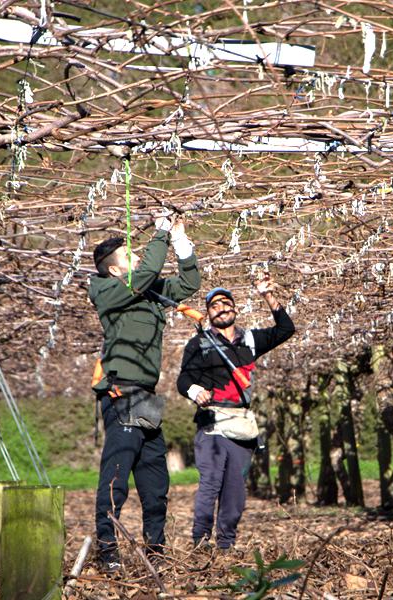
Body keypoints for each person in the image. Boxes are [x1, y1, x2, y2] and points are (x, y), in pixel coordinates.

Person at [88, 215, 201, 572]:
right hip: (121, 394)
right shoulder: (105, 290)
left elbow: (189, 283)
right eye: (128, 254)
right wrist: (160, 232)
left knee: (155, 481)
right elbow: (147, 270)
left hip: (145, 398)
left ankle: (156, 552)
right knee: (116, 477)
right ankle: (108, 553)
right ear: (114, 270)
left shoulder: (148, 291)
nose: (136, 257)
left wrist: (180, 242)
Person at [176, 276, 295, 551]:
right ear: (208, 314)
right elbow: (183, 380)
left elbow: (286, 328)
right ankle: (201, 541)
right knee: (211, 482)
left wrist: (268, 295)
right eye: (214, 305)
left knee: (235, 490)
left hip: (241, 425)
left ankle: (226, 544)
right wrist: (195, 391)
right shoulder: (199, 344)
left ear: (235, 309)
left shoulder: (251, 340)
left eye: (226, 303)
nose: (221, 308)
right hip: (212, 424)